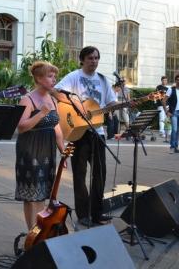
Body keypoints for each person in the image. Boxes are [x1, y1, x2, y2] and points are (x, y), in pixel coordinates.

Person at [54, 46, 117, 227]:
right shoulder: (74, 77)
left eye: (96, 58)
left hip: (98, 133)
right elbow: (56, 91)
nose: (94, 61)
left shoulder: (103, 80)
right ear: (82, 59)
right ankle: (83, 214)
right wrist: (76, 103)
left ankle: (96, 213)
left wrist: (123, 105)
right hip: (78, 132)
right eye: (90, 58)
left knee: (100, 174)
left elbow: (110, 102)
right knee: (80, 176)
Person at [14, 61, 65, 230]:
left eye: (54, 76)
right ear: (38, 78)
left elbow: (56, 127)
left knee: (43, 193)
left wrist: (63, 152)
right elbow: (21, 127)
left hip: (47, 150)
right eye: (50, 76)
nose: (54, 80)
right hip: (30, 149)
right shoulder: (27, 99)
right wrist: (41, 114)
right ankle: (32, 233)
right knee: (31, 194)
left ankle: (40, 230)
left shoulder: (53, 99)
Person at [163, 74, 179, 154]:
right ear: (175, 81)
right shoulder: (171, 89)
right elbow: (164, 100)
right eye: (177, 80)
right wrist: (166, 111)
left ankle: (176, 147)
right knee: (174, 129)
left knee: (178, 131)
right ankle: (172, 147)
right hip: (174, 112)